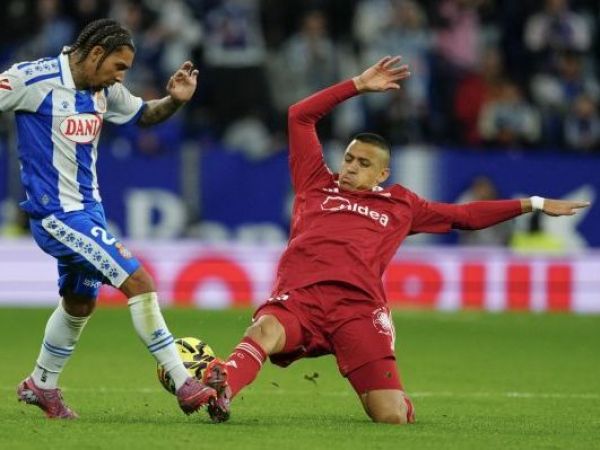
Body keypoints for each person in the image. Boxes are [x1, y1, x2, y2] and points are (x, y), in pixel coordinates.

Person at [205, 56, 590, 424]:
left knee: (390, 416)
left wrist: (533, 203)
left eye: (363, 164)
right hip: (300, 301)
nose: (351, 168)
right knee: (264, 330)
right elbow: (299, 116)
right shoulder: (314, 183)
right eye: (349, 159)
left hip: (356, 310)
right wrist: (358, 85)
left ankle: (388, 388)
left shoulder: (401, 205)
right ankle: (221, 390)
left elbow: (465, 216)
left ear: (382, 174)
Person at [0, 18, 226, 420]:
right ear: (96, 54)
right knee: (139, 282)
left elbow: (143, 114)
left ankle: (41, 384)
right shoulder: (30, 79)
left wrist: (175, 100)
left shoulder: (104, 90)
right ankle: (183, 381)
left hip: (91, 213)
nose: (121, 76)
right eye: (118, 66)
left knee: (79, 302)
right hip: (56, 214)